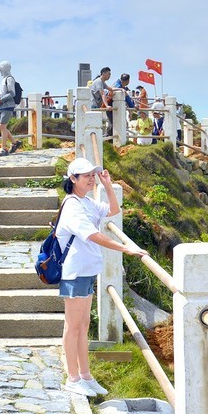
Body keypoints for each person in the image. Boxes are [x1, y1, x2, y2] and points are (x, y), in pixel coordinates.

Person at [55, 157, 145, 397]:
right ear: (72, 179)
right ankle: (72, 378)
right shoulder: (72, 205)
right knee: (73, 326)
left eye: (92, 174)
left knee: (83, 325)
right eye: (86, 175)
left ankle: (86, 376)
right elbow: (93, 235)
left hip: (86, 270)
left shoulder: (86, 202)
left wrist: (106, 185)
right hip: (74, 272)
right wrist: (126, 248)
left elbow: (113, 210)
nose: (91, 178)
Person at [0, 60, 20, 156]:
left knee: (2, 126)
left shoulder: (9, 79)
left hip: (8, 105)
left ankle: (3, 148)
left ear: (4, 68)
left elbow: (12, 93)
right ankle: (15, 143)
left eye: (0, 68)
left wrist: (1, 99)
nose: (0, 70)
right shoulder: (4, 79)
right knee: (2, 126)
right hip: (2, 105)